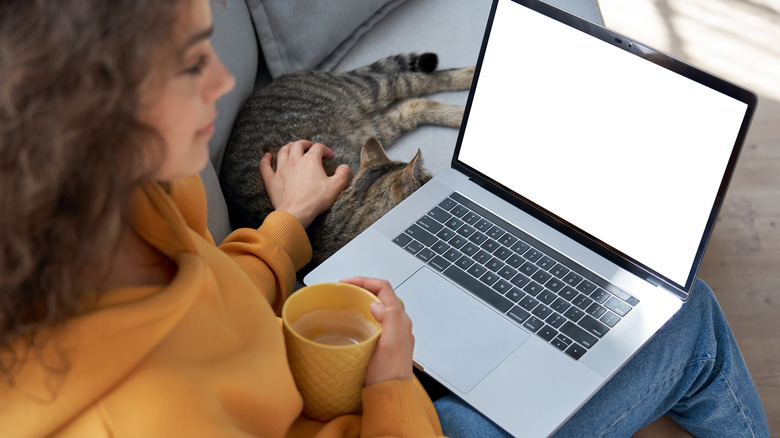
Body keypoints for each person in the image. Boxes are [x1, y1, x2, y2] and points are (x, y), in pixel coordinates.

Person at [0, 0, 768, 437]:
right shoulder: (137, 420)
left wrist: (285, 226)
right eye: (194, 60)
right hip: (387, 422)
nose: (226, 79)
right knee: (686, 318)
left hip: (338, 383)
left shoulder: (132, 200)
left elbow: (202, 308)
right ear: (94, 110)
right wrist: (396, 384)